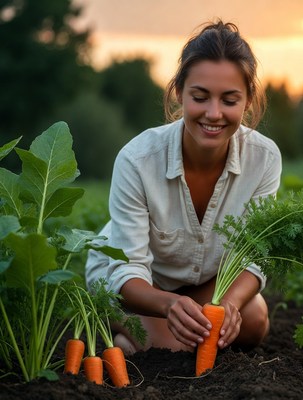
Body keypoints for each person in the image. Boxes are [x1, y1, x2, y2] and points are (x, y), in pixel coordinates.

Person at [85, 20, 282, 355]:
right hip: (136, 288)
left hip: (201, 286)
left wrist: (230, 306)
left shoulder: (263, 159)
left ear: (247, 101)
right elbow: (127, 269)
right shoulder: (138, 160)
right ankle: (126, 330)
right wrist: (168, 305)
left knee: (253, 321)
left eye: (229, 100)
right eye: (200, 97)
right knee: (176, 347)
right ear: (179, 92)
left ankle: (138, 342)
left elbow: (254, 254)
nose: (214, 113)